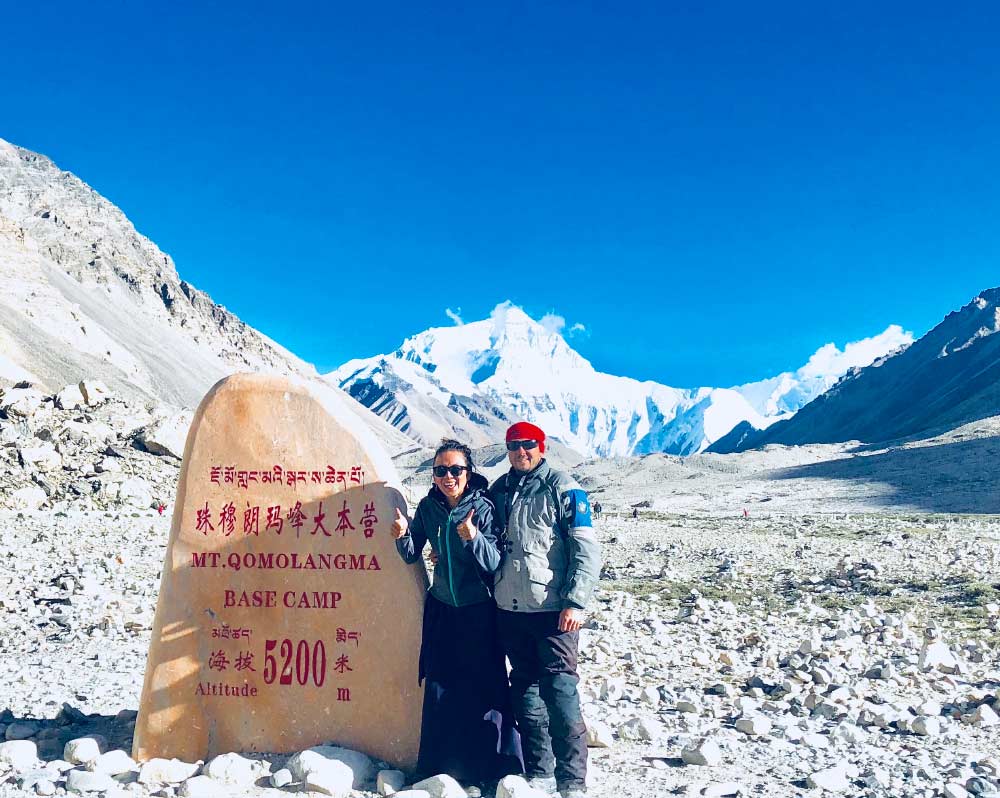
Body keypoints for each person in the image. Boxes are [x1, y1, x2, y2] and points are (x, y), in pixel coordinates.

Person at [392, 439, 522, 785]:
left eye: (455, 469)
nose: (447, 477)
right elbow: (411, 552)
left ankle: (491, 770)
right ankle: (440, 769)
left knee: (484, 686)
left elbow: (494, 563)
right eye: (440, 470)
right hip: (442, 607)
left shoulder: (484, 506)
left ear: (468, 472)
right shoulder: (428, 507)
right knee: (440, 687)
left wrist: (473, 536)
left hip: (478, 610)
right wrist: (401, 535)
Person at [490, 422, 602, 798]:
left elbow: (586, 550)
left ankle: (572, 780)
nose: (520, 451)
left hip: (553, 610)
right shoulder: (499, 490)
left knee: (560, 691)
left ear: (542, 447)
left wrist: (575, 601)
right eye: (513, 445)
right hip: (510, 607)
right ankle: (540, 770)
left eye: (528, 444)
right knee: (525, 690)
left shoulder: (563, 488)